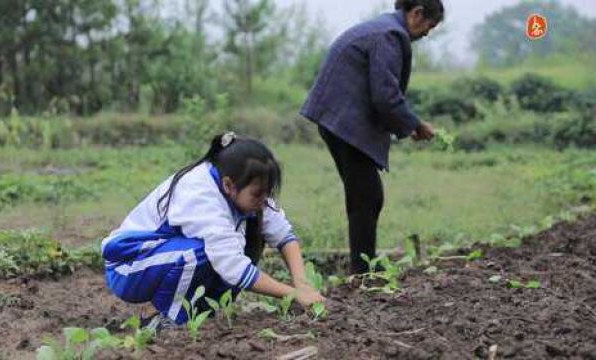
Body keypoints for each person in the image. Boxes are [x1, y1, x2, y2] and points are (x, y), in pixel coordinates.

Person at [101, 132, 325, 327]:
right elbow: (234, 268)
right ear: (229, 185)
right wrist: (294, 294)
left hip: (162, 258)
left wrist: (302, 283)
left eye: (267, 193)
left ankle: (198, 315)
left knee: (249, 234)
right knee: (199, 253)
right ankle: (161, 318)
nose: (264, 200)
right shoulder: (201, 196)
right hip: (129, 265)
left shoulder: (243, 187)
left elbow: (283, 234)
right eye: (257, 194)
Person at [300, 0, 445, 274]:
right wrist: (415, 124)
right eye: (430, 25)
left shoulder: (383, 30)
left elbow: (383, 93)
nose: (428, 32)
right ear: (417, 14)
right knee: (367, 197)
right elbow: (385, 95)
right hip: (344, 124)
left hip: (337, 120)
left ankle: (363, 268)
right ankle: (362, 274)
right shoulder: (389, 36)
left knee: (363, 196)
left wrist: (409, 124)